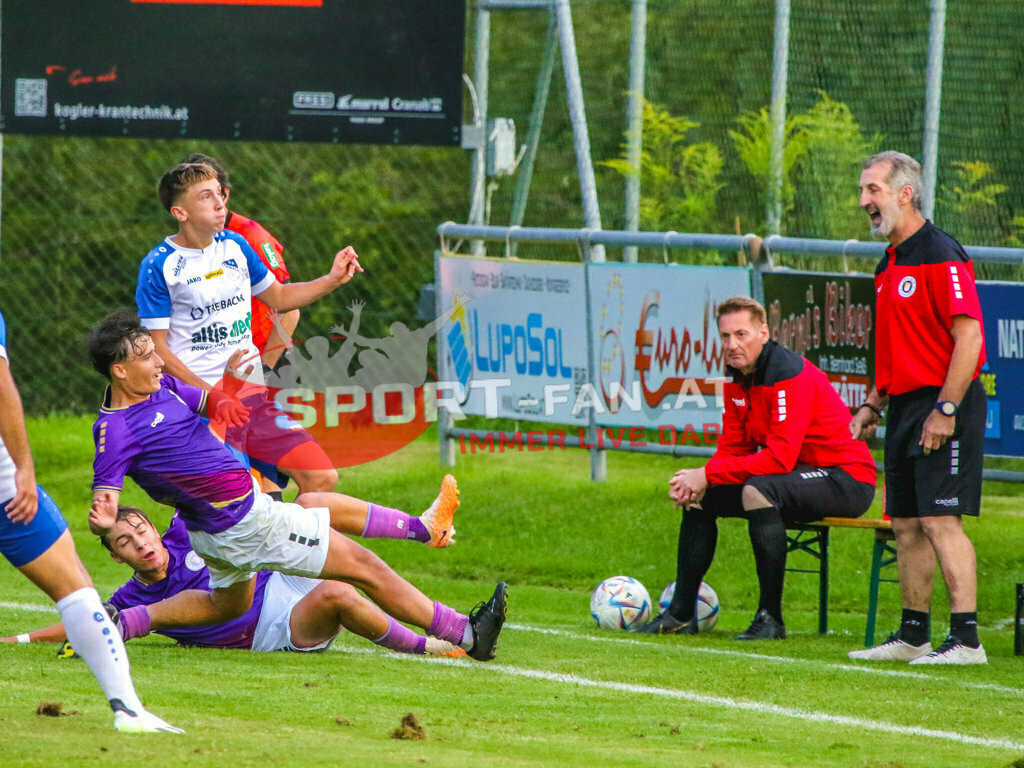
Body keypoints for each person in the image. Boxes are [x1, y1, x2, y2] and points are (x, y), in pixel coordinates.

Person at [85, 309, 507, 664]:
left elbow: (207, 402)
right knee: (364, 568)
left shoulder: (162, 388)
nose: (160, 361)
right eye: (146, 356)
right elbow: (106, 502)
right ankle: (467, 635)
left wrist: (230, 394)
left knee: (224, 605)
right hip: (246, 522)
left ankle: (128, 623)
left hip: (212, 534)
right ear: (120, 370)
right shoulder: (115, 431)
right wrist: (103, 518)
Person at [639, 296, 876, 640]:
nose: (732, 345)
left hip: (846, 478)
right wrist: (700, 482)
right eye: (725, 336)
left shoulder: (788, 373)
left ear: (764, 332)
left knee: (758, 489)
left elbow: (779, 458)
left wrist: (706, 474)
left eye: (741, 334)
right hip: (798, 477)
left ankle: (771, 619)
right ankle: (679, 613)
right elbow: (734, 447)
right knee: (701, 498)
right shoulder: (738, 377)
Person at [0, 309, 181, 733]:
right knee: (77, 591)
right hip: (5, 488)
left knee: (78, 591)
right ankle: (128, 710)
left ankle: (130, 712)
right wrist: (24, 467)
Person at [136, 161, 352, 495]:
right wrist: (213, 396)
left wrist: (332, 278)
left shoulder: (235, 245)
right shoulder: (159, 265)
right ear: (180, 212)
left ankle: (295, 544)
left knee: (321, 477)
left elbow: (279, 298)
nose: (220, 202)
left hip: (250, 397)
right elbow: (157, 349)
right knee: (242, 503)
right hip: (201, 406)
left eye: (219, 193)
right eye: (205, 197)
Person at [848, 151, 987, 665]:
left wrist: (946, 410)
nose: (864, 201)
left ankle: (967, 640)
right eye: (863, 191)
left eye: (873, 190)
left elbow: (968, 338)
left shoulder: (940, 253)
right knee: (905, 524)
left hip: (945, 403)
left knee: (940, 521)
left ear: (904, 194)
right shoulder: (889, 262)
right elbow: (893, 344)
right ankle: (913, 635)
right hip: (904, 404)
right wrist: (872, 402)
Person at [4, 506, 464, 658]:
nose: (139, 543)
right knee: (340, 593)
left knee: (311, 501)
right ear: (114, 555)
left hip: (281, 576)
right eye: (124, 542)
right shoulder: (130, 597)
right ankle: (430, 648)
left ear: (153, 525)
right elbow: (85, 622)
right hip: (278, 626)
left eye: (141, 530)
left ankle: (424, 528)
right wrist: (20, 637)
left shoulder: (187, 528)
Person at [181, 153, 298, 372]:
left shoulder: (251, 236)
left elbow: (289, 310)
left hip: (265, 360)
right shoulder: (184, 245)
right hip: (216, 362)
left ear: (224, 195)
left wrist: (267, 369)